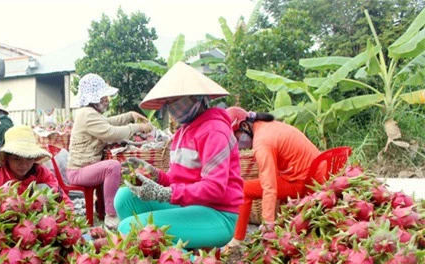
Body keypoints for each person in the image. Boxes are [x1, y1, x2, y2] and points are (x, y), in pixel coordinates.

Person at [114, 62, 243, 249]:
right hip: (189, 207)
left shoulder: (215, 131)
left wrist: (166, 193)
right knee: (125, 197)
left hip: (217, 214)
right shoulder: (184, 131)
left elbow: (214, 188)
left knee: (129, 228)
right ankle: (151, 259)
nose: (171, 107)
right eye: (168, 102)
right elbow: (178, 182)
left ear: (197, 97)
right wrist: (156, 175)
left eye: (176, 100)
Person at [66, 73, 152, 229]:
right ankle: (110, 215)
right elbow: (110, 133)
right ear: (94, 98)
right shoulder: (87, 115)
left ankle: (105, 210)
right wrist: (136, 127)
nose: (106, 99)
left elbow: (109, 122)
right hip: (78, 171)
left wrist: (130, 116)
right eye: (104, 96)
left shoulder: (91, 113)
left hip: (85, 168)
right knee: (112, 166)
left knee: (113, 166)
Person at [225, 106, 321, 245]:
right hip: (313, 175)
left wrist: (267, 221)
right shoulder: (269, 126)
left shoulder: (262, 142)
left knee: (244, 189)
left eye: (236, 136)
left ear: (245, 125)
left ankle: (237, 239)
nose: (236, 142)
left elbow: (269, 186)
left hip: (303, 182)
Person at [0, 125, 72, 206]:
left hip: (39, 220)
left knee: (43, 188)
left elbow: (65, 202)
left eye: (29, 158)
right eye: (16, 158)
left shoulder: (42, 173)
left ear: (35, 158)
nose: (23, 165)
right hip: (3, 221)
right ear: (7, 158)